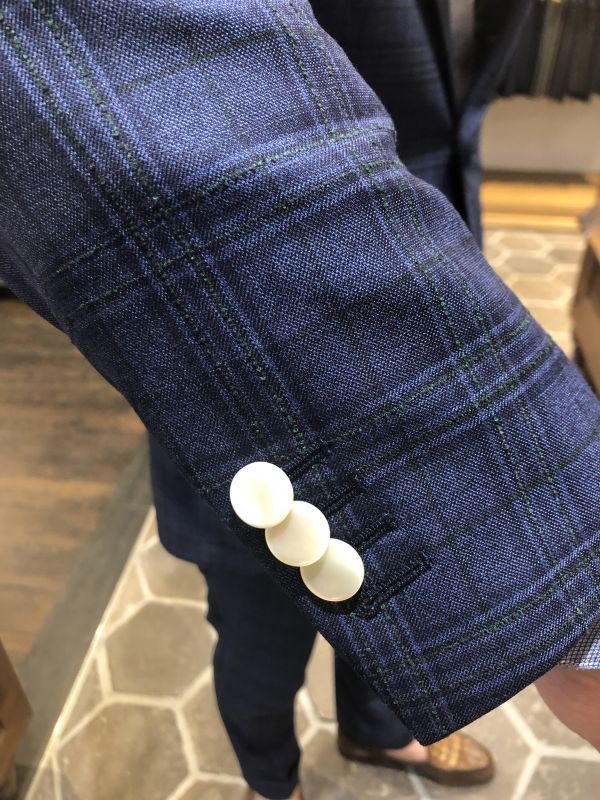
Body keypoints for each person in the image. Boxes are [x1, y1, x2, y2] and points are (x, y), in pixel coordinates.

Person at [1, 3, 599, 799]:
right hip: (250, 361)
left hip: (423, 242)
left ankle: (375, 729)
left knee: (394, 613)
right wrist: (576, 573)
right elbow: (108, 75)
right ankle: (268, 778)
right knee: (258, 639)